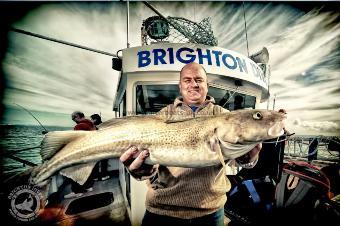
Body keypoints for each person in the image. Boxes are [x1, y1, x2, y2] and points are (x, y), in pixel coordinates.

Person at [120, 62, 262, 226]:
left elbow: (243, 161)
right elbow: (149, 169)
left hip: (211, 211)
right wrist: (143, 170)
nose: (194, 84)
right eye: (187, 80)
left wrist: (248, 159)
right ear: (180, 87)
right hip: (162, 210)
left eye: (199, 80)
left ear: (206, 86)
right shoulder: (163, 115)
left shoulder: (223, 115)